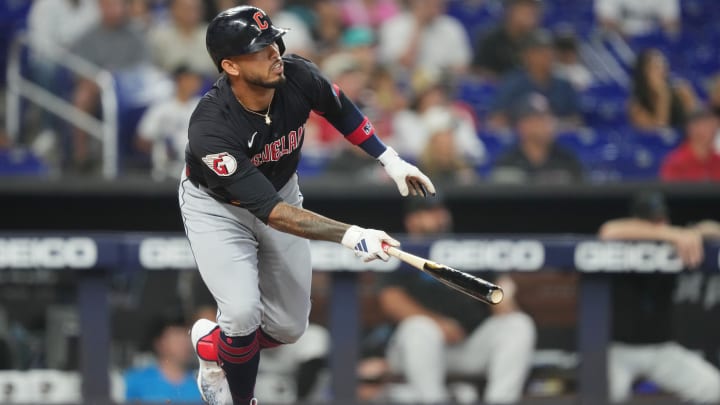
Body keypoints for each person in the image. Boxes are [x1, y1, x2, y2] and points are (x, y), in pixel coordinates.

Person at [181, 6, 436, 405]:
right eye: (259, 49)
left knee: (289, 328)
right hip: (219, 209)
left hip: (280, 190)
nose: (274, 52)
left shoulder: (296, 75)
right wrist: (351, 235)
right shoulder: (211, 128)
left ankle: (213, 347)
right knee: (243, 312)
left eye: (272, 42)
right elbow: (272, 214)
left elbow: (340, 109)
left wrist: (390, 160)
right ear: (229, 65)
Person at [377, 196, 536, 404]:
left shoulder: (467, 249)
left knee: (518, 325)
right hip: (416, 350)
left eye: (441, 210)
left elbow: (499, 291)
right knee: (419, 328)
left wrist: (505, 300)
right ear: (411, 220)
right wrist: (438, 323)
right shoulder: (400, 249)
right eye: (429, 212)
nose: (439, 217)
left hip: (468, 346)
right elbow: (391, 300)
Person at [598, 191, 720, 403]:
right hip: (618, 350)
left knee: (713, 388)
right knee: (602, 396)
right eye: (651, 221)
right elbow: (608, 231)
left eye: (660, 219)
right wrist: (671, 234)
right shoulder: (621, 238)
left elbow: (712, 229)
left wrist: (692, 232)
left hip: (661, 349)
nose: (658, 224)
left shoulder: (678, 241)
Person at [69, 0, 152, 170]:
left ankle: (148, 160)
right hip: (99, 90)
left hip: (130, 90)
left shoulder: (136, 35)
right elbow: (78, 71)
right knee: (82, 95)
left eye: (117, 5)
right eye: (109, 5)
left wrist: (117, 79)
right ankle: (81, 158)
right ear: (100, 7)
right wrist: (102, 81)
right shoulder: (87, 36)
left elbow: (144, 69)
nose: (114, 10)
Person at [489, 30, 581, 129]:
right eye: (539, 51)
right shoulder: (512, 83)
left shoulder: (563, 85)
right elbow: (496, 119)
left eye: (549, 50)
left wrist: (551, 124)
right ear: (526, 56)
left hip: (556, 138)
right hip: (521, 139)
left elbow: (575, 120)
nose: (547, 55)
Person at [492, 93, 584, 184]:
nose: (548, 124)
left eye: (549, 116)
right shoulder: (507, 163)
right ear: (522, 126)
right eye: (540, 119)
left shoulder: (567, 161)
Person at [135, 66, 203, 180]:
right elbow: (141, 140)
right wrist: (164, 145)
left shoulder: (204, 105)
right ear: (180, 80)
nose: (196, 82)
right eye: (191, 78)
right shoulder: (161, 108)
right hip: (168, 168)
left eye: (197, 79)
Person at [377, 0, 472, 74]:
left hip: (441, 89)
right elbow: (405, 63)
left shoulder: (452, 28)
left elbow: (461, 67)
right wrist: (419, 26)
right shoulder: (394, 26)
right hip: (401, 88)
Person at [124, 316, 202, 403]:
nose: (185, 343)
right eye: (177, 336)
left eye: (187, 336)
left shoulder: (202, 384)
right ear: (159, 343)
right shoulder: (135, 381)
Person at [628, 49, 697, 131]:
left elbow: (697, 122)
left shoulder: (681, 90)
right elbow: (660, 134)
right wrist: (663, 96)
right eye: (656, 67)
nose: (662, 71)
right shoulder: (637, 106)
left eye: (663, 65)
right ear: (643, 73)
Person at [472, 0, 542, 77]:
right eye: (525, 12)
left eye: (533, 13)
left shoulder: (538, 41)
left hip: (528, 87)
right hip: (496, 85)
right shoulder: (490, 38)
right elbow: (479, 70)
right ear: (510, 12)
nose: (530, 17)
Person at [148, 0, 216, 78]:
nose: (191, 12)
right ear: (173, 9)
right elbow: (152, 70)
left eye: (195, 8)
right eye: (186, 8)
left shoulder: (212, 34)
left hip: (208, 84)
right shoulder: (159, 35)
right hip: (169, 84)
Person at [660, 108, 720, 181]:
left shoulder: (717, 161)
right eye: (708, 126)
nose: (713, 130)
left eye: (714, 126)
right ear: (692, 129)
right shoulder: (677, 162)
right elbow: (670, 190)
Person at [595, 0, 680, 38]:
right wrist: (622, 32)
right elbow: (605, 20)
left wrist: (654, 37)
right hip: (620, 40)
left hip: (653, 40)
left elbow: (672, 23)